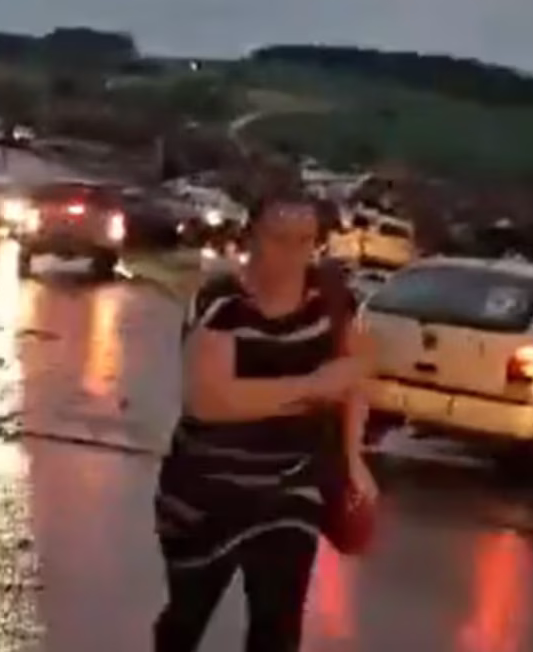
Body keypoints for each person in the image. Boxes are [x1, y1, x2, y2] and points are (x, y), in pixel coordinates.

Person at [153, 196, 378, 652]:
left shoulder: (332, 299)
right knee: (187, 617)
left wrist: (355, 459)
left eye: (305, 241)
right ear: (251, 236)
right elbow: (209, 402)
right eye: (279, 239)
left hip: (292, 487)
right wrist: (312, 387)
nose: (292, 253)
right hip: (204, 492)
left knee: (278, 623)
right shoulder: (221, 302)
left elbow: (354, 377)